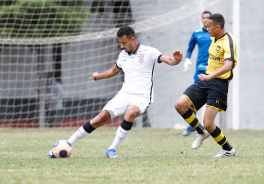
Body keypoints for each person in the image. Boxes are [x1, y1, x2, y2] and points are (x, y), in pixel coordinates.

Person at [48, 25, 183, 158]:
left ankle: (112, 149)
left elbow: (169, 60)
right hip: (124, 94)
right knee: (99, 119)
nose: (122, 46)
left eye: (124, 43)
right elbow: (113, 71)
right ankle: (67, 143)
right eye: (120, 43)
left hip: (142, 97)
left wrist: (176, 60)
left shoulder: (149, 52)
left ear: (133, 40)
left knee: (131, 112)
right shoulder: (122, 55)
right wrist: (98, 76)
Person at [175, 13, 237, 157]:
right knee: (180, 104)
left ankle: (228, 149)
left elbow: (229, 65)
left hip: (218, 84)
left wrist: (211, 76)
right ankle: (200, 131)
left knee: (209, 123)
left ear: (217, 26)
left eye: (209, 26)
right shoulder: (213, 38)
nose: (206, 28)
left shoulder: (228, 40)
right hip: (206, 80)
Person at [182, 11, 212, 136]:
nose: (206, 20)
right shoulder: (197, 33)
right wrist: (187, 59)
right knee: (193, 99)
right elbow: (190, 49)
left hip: (213, 71)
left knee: (211, 99)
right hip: (200, 71)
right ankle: (192, 126)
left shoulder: (216, 34)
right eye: (203, 18)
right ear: (201, 19)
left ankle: (210, 125)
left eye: (208, 18)